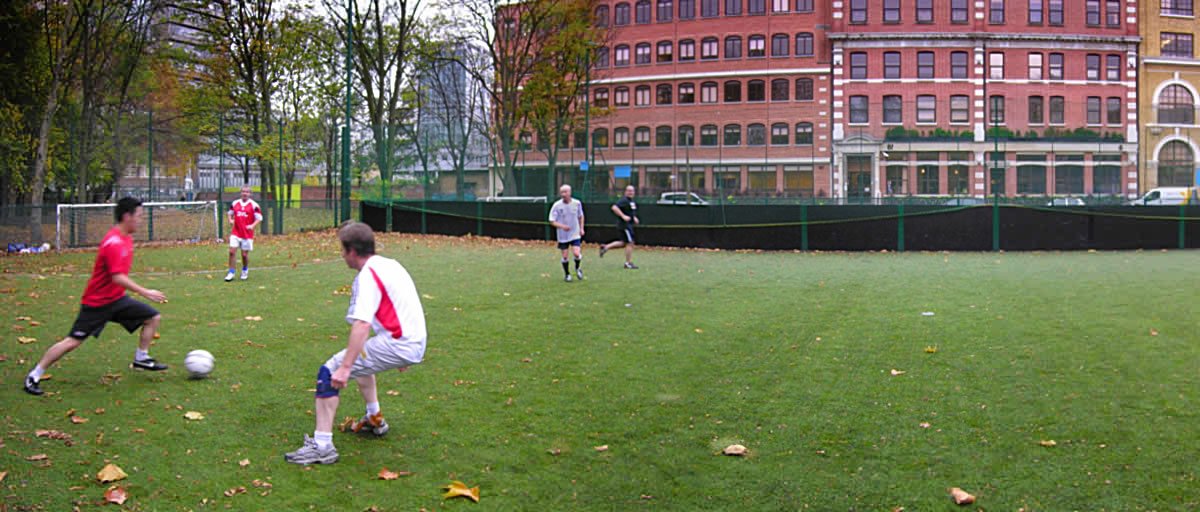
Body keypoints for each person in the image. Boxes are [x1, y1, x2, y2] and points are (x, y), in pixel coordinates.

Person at [284, 222, 427, 465]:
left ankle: (322, 446)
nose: (342, 256)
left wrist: (345, 367)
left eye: (342, 250)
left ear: (352, 251)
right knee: (362, 360)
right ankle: (374, 418)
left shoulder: (367, 276)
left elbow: (362, 324)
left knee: (328, 371)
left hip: (399, 342)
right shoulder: (390, 264)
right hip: (410, 340)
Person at [23, 197, 168, 396]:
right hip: (97, 303)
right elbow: (117, 277)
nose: (141, 220)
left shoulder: (126, 238)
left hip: (116, 300)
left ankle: (141, 358)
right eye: (139, 216)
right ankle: (34, 375)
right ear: (127, 216)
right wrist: (146, 292)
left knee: (153, 317)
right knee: (72, 341)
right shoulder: (114, 243)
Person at [548, 184, 585, 282]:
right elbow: (552, 221)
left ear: (570, 192)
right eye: (562, 192)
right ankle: (567, 274)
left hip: (575, 233)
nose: (563, 194)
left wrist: (581, 228)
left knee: (577, 253)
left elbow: (580, 216)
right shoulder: (557, 205)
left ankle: (577, 268)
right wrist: (562, 226)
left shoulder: (577, 203)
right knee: (565, 256)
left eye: (565, 192)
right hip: (562, 235)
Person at [225, 186, 262, 281]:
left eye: (247, 192)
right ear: (240, 193)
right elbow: (229, 212)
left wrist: (252, 226)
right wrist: (230, 220)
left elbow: (259, 218)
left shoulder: (254, 205)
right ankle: (231, 272)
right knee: (231, 252)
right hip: (236, 232)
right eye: (243, 191)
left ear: (250, 194)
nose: (245, 193)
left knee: (244, 255)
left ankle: (245, 270)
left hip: (247, 234)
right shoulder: (235, 203)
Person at [599, 185, 639, 269]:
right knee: (630, 243)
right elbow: (614, 207)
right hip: (624, 226)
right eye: (629, 191)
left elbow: (630, 212)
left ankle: (606, 247)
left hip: (628, 225)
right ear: (625, 192)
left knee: (624, 243)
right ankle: (628, 263)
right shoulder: (624, 200)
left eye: (632, 191)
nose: (631, 193)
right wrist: (623, 216)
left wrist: (634, 218)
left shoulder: (631, 201)